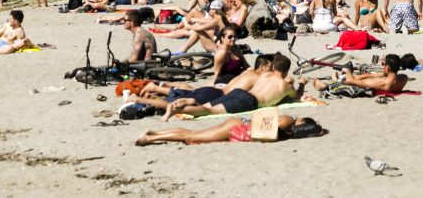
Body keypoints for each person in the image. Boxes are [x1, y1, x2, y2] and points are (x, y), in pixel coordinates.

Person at [163, 54, 305, 120]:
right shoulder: (284, 85)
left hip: (238, 92)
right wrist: (301, 84)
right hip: (249, 101)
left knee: (208, 106)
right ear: (286, 71)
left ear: (273, 67)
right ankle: (175, 109)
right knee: (210, 111)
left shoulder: (264, 75)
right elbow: (296, 97)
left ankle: (191, 102)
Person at [135, 114, 321, 146]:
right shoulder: (288, 121)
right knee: (192, 137)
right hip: (236, 129)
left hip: (236, 125)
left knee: (194, 134)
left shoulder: (285, 118)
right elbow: (267, 131)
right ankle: (149, 139)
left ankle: (156, 134)